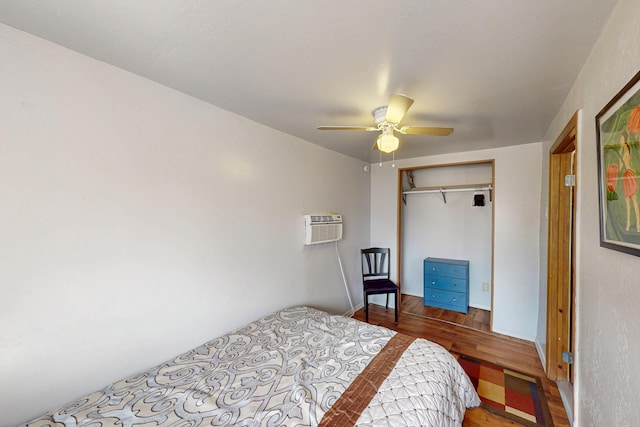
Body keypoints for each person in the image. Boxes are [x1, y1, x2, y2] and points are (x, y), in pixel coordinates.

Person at [619, 131, 640, 232]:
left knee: (634, 201)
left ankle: (638, 225)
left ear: (625, 139)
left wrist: (620, 154)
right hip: (626, 176)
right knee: (628, 203)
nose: (620, 141)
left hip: (629, 175)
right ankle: (629, 225)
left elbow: (620, 166)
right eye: (620, 139)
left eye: (621, 139)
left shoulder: (626, 149)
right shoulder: (623, 149)